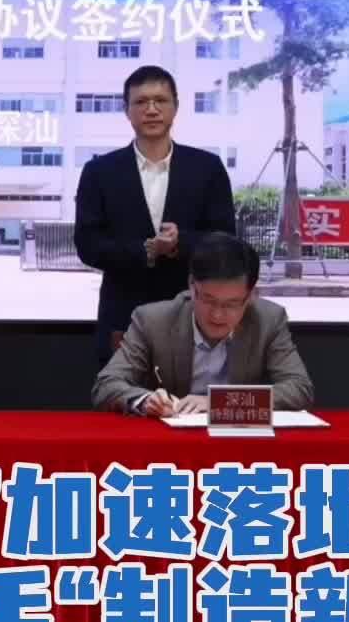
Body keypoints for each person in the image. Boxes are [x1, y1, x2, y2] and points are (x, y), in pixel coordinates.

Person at [74, 65, 237, 362]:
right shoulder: (99, 172)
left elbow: (225, 241)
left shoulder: (207, 168)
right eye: (140, 102)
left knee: (194, 392)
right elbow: (88, 245)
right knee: (122, 390)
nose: (151, 110)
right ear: (126, 110)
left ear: (176, 107)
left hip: (196, 316)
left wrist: (179, 244)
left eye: (160, 100)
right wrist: (146, 250)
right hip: (123, 318)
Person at [91, 231, 313, 415]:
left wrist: (220, 402)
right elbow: (106, 385)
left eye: (231, 304)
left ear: (250, 296)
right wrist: (145, 400)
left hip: (239, 442)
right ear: (191, 286)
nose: (217, 315)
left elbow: (299, 388)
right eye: (208, 300)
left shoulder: (268, 319)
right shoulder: (152, 320)